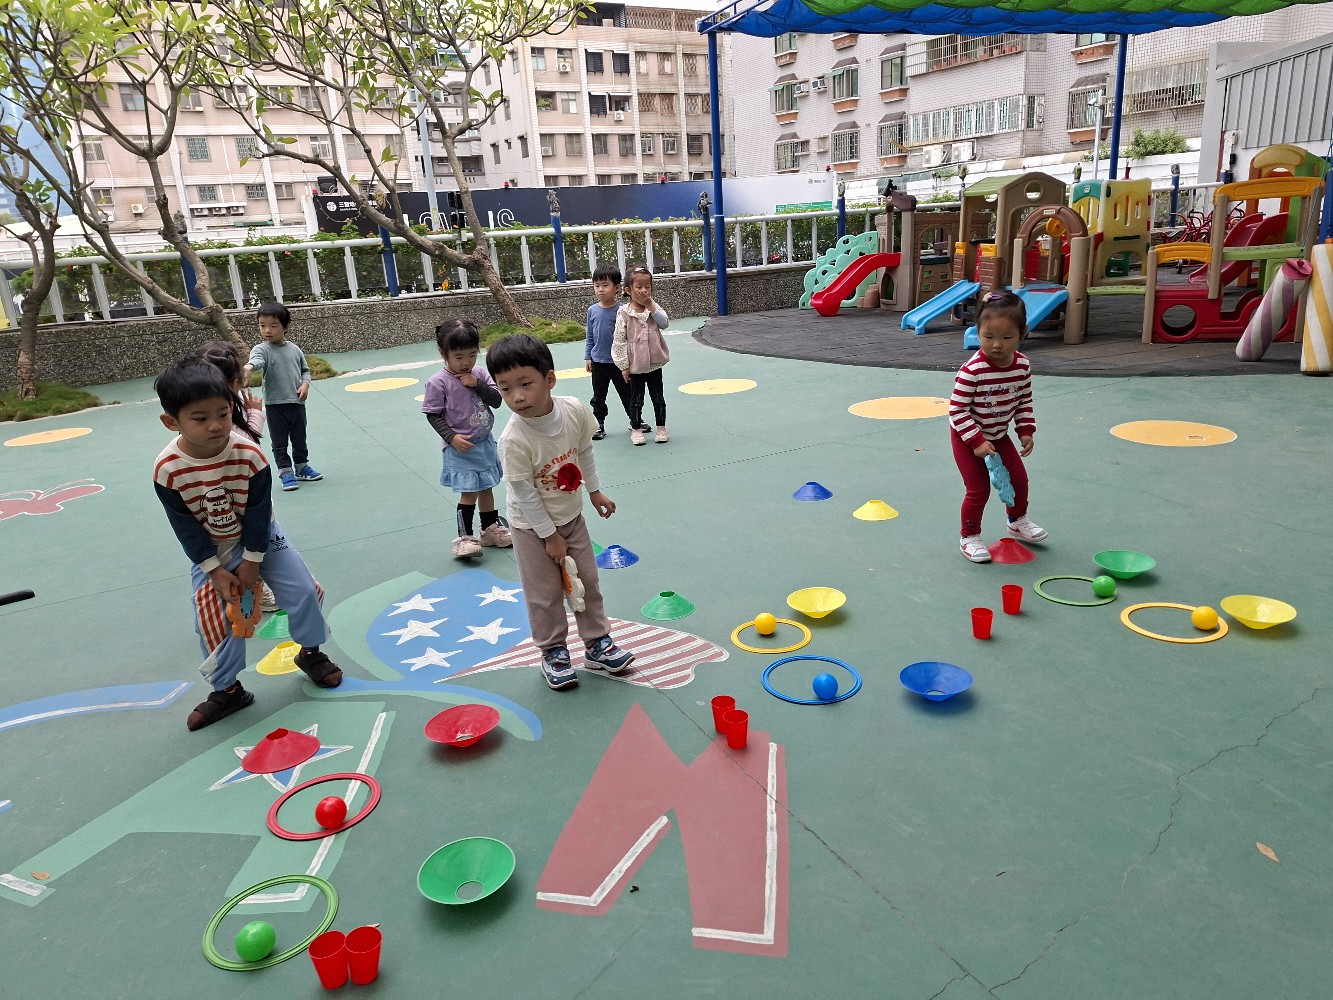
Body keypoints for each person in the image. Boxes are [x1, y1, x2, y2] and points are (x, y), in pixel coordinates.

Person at [152, 357, 342, 731]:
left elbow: (258, 512)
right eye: (200, 418)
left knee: (304, 590)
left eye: (223, 414)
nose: (215, 425)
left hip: (262, 535)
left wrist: (253, 562)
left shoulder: (249, 455)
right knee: (210, 617)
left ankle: (311, 653)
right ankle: (228, 690)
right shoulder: (167, 468)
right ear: (171, 422)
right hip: (212, 547)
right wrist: (214, 569)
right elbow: (184, 525)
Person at [487, 334, 634, 690]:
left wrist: (594, 491)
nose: (517, 396)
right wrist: (549, 537)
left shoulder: (574, 411)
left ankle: (597, 644)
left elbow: (584, 451)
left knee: (587, 581)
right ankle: (553, 651)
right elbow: (524, 493)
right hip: (530, 527)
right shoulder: (513, 440)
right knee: (545, 593)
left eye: (526, 384)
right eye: (505, 388)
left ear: (549, 379)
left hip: (571, 518)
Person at [948, 291, 1048, 564]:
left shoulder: (1022, 366)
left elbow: (1023, 400)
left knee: (1019, 480)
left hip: (998, 433)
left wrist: (1025, 430)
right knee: (978, 488)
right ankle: (969, 536)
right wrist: (977, 441)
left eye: (1007, 337)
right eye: (988, 336)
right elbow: (957, 410)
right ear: (978, 332)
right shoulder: (973, 370)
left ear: (1022, 334)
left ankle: (1017, 521)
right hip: (967, 436)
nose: (996, 345)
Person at [195, 339, 278, 613]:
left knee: (253, 544)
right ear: (234, 381)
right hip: (232, 496)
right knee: (245, 545)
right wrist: (256, 414)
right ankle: (252, 590)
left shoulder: (231, 404)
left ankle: (254, 585)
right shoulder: (223, 415)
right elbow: (247, 444)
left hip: (234, 493)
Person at [422, 319, 513, 558]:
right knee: (469, 493)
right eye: (459, 357)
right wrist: (451, 437)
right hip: (460, 449)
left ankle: (489, 529)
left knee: (487, 488)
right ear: (443, 353)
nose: (466, 362)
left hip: (484, 443)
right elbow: (433, 415)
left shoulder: (479, 373)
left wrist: (478, 384)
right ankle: (464, 537)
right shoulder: (438, 382)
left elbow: (496, 400)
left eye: (472, 355)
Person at [241, 302, 322, 492]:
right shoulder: (261, 349)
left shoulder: (294, 349)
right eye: (262, 325)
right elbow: (257, 361)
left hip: (297, 403)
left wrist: (305, 385)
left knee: (299, 438)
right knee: (279, 442)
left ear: (286, 327)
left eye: (273, 325)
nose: (267, 330)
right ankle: (285, 471)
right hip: (275, 405)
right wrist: (249, 367)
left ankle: (301, 466)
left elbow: (305, 371)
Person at [584, 264, 644, 441]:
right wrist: (588, 356)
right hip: (598, 362)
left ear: (617, 288)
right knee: (598, 396)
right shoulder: (592, 310)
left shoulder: (623, 310)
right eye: (597, 285)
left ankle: (635, 420)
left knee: (628, 394)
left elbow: (629, 336)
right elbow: (590, 336)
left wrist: (629, 359)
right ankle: (598, 424)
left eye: (605, 285)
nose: (600, 289)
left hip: (620, 363)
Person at [611, 265, 670, 445]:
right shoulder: (624, 312)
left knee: (658, 397)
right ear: (628, 290)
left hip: (654, 363)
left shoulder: (653, 308)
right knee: (636, 399)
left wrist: (651, 305)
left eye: (647, 286)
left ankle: (661, 427)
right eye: (639, 286)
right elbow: (619, 340)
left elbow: (664, 323)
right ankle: (636, 429)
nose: (644, 290)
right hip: (635, 365)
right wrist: (623, 366)